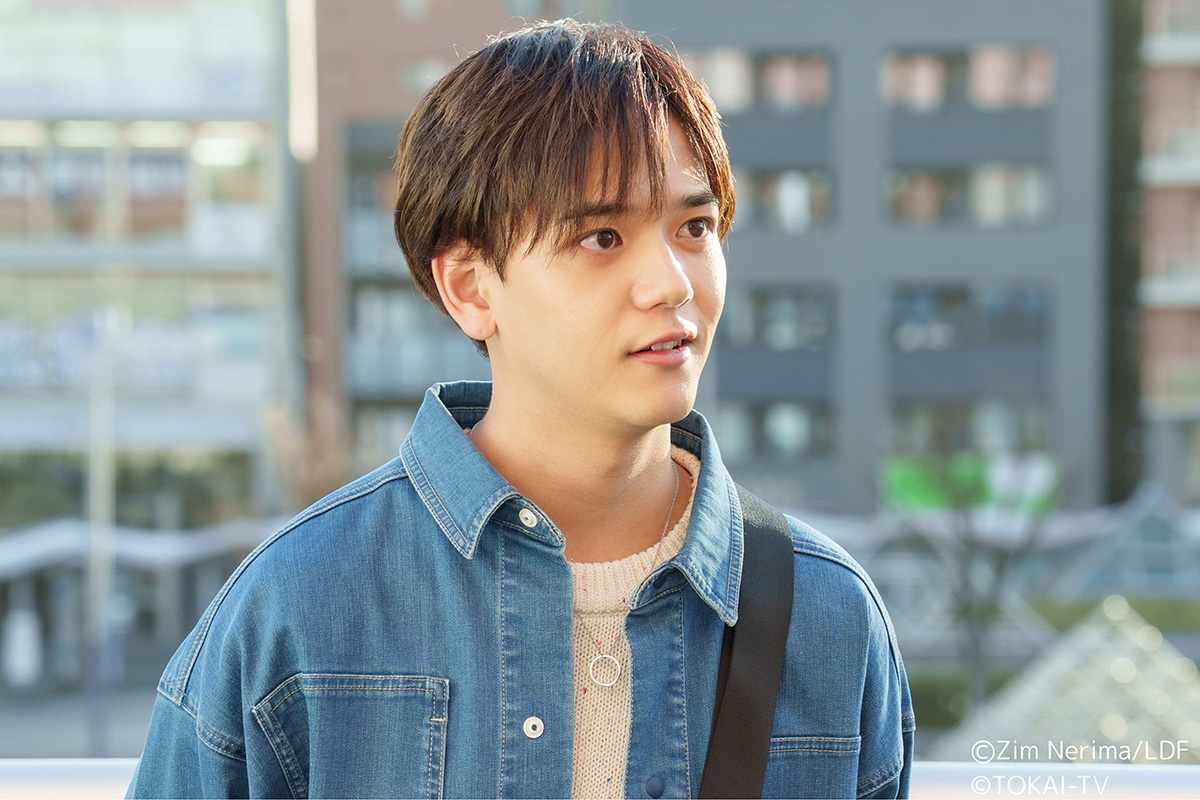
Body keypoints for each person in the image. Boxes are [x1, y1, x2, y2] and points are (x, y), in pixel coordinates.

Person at [128, 19, 913, 799]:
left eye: (695, 227)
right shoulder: (298, 607)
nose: (672, 283)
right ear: (471, 287)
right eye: (602, 237)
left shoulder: (828, 615)